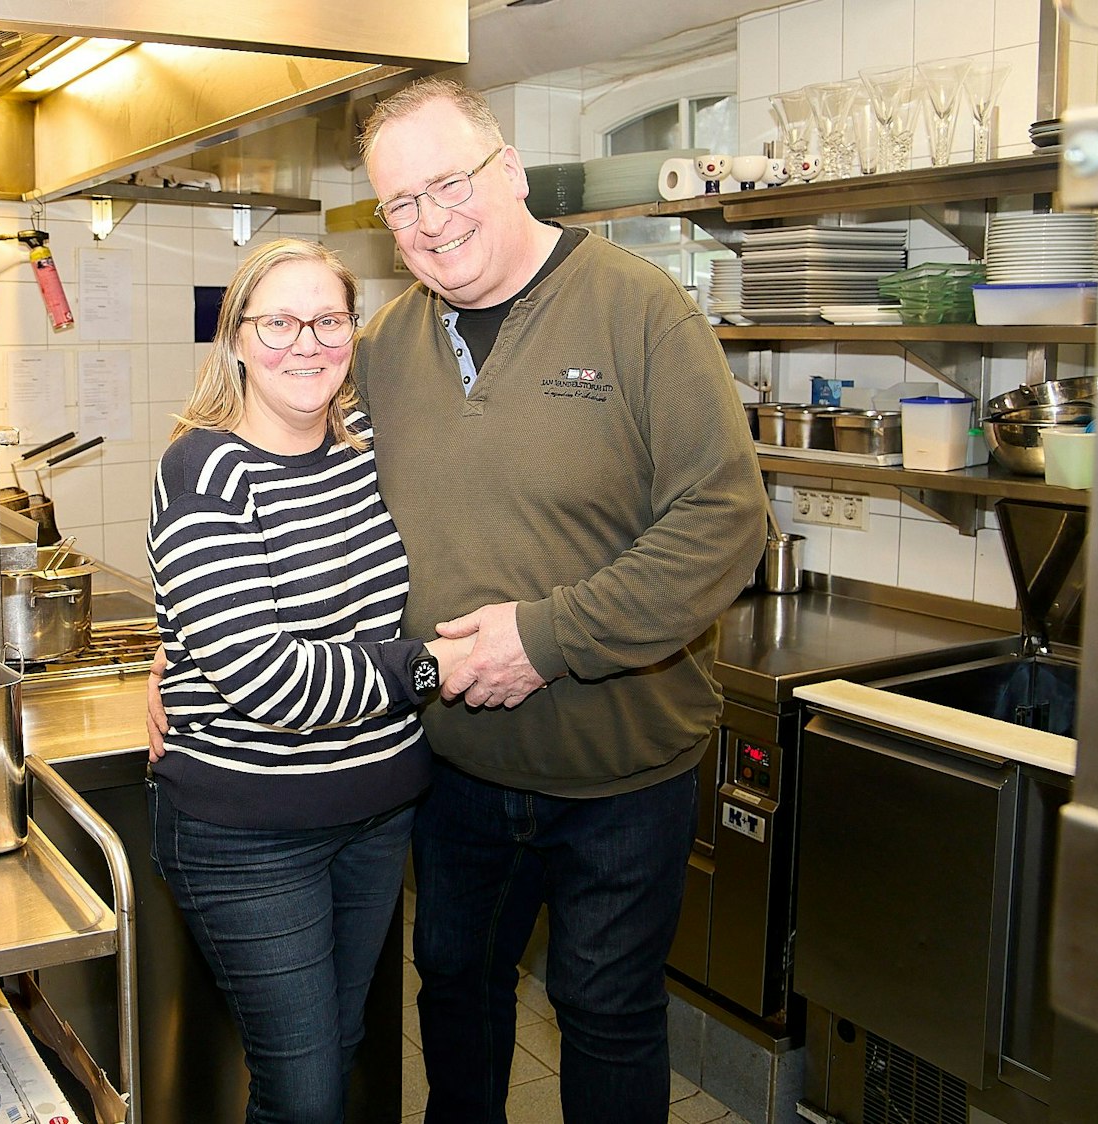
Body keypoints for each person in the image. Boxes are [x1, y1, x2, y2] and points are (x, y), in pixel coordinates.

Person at [352, 78, 767, 1123]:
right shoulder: (389, 347)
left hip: (622, 771)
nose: (430, 220)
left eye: (448, 182)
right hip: (452, 770)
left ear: (512, 171)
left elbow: (723, 522)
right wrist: (190, 646)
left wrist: (544, 638)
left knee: (605, 1009)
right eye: (399, 204)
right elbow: (308, 508)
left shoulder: (638, 308)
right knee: (454, 995)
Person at [144, 236, 474, 1124]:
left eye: (328, 320)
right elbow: (268, 680)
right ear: (238, 338)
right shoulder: (203, 468)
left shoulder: (364, 445)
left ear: (352, 333)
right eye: (279, 321)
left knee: (340, 1051)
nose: (306, 343)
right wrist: (433, 668)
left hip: (375, 815)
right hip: (250, 832)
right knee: (306, 1091)